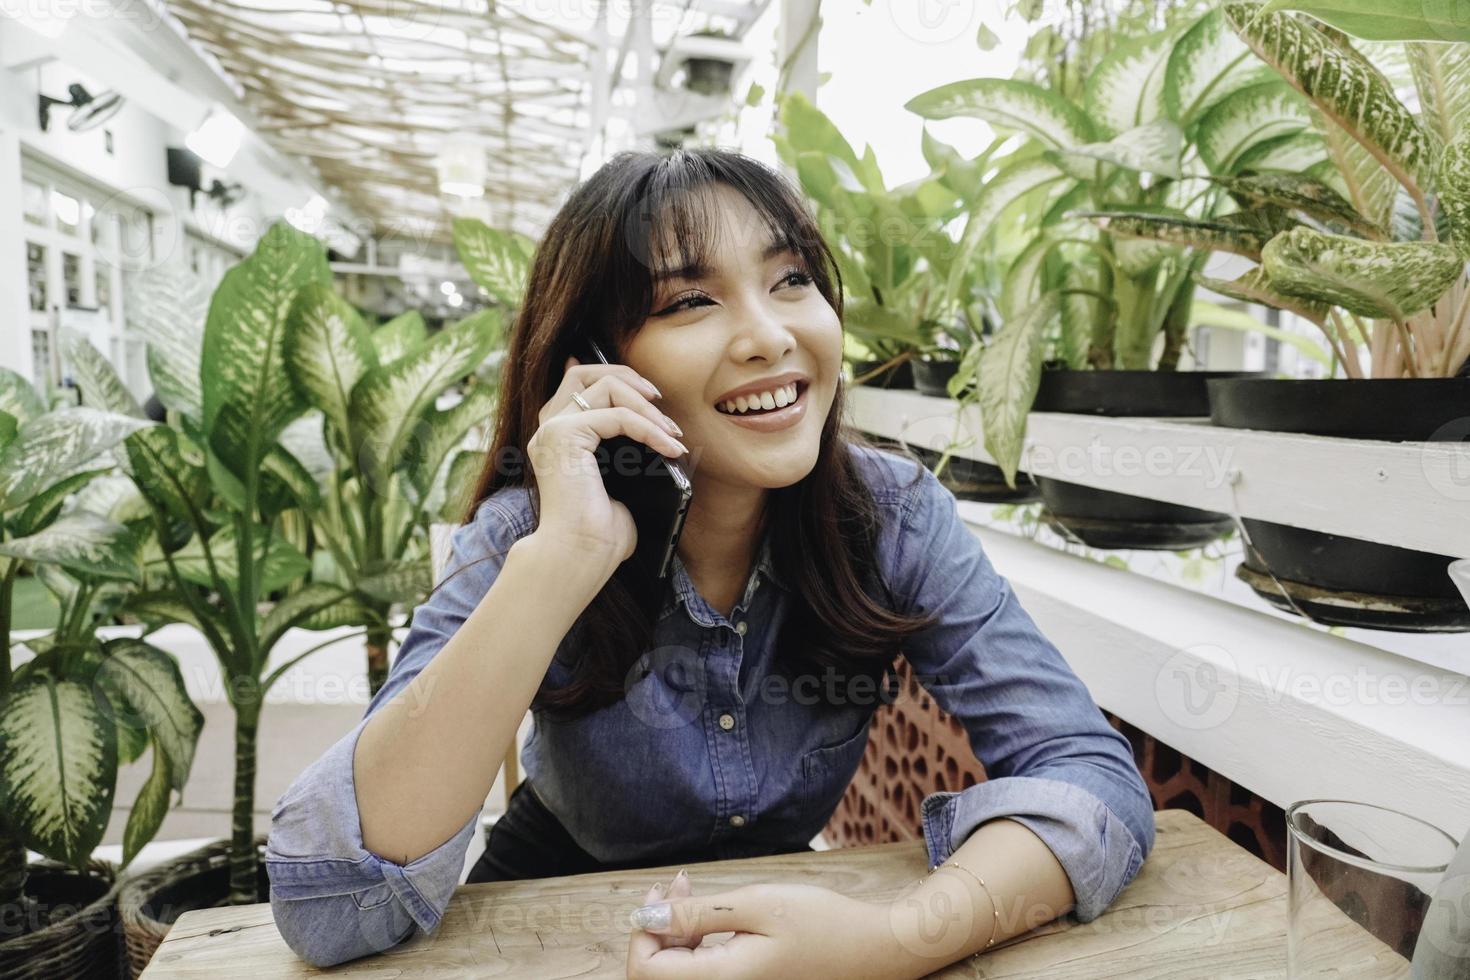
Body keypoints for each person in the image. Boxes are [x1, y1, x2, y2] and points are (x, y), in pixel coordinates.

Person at [265, 147, 1155, 976]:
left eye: (792, 280)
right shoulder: (523, 535)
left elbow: (1090, 777)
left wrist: (891, 942)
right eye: (691, 301)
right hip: (548, 892)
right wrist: (565, 558)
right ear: (598, 363)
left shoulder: (893, 518)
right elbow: (334, 906)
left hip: (790, 907)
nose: (770, 335)